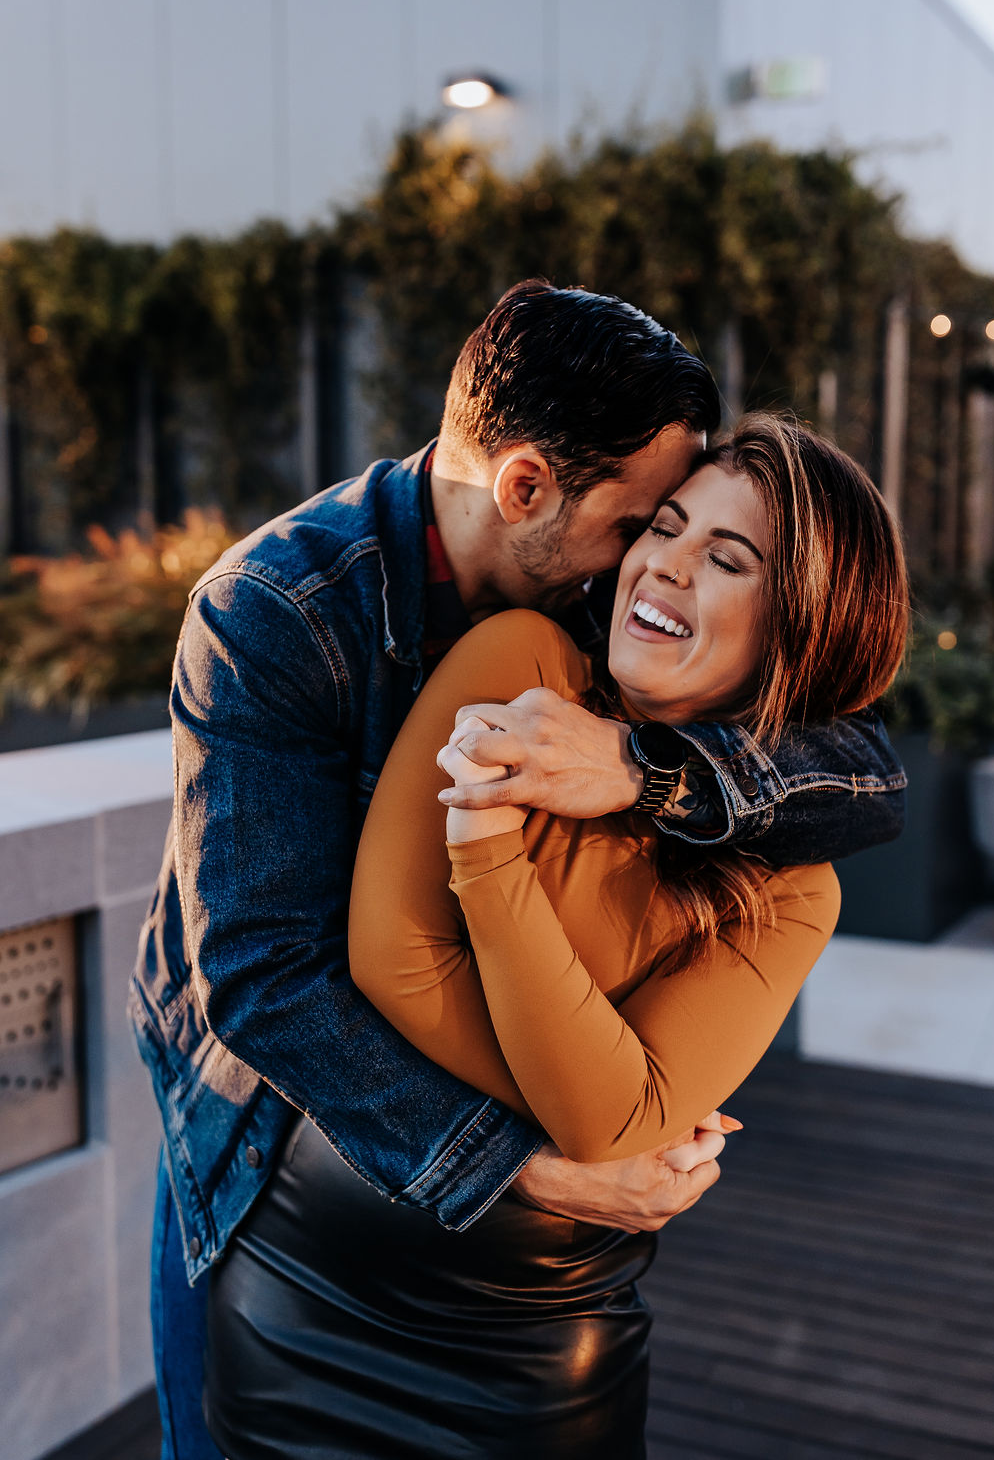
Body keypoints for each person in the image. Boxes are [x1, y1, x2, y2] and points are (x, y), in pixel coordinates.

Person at [130, 281, 906, 1459]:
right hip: (266, 1137)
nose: (650, 564)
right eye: (644, 521)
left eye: (689, 532)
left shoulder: (584, 581)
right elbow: (259, 973)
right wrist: (539, 1163)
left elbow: (865, 763)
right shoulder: (275, 610)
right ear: (527, 487)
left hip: (532, 1315)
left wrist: (642, 770)